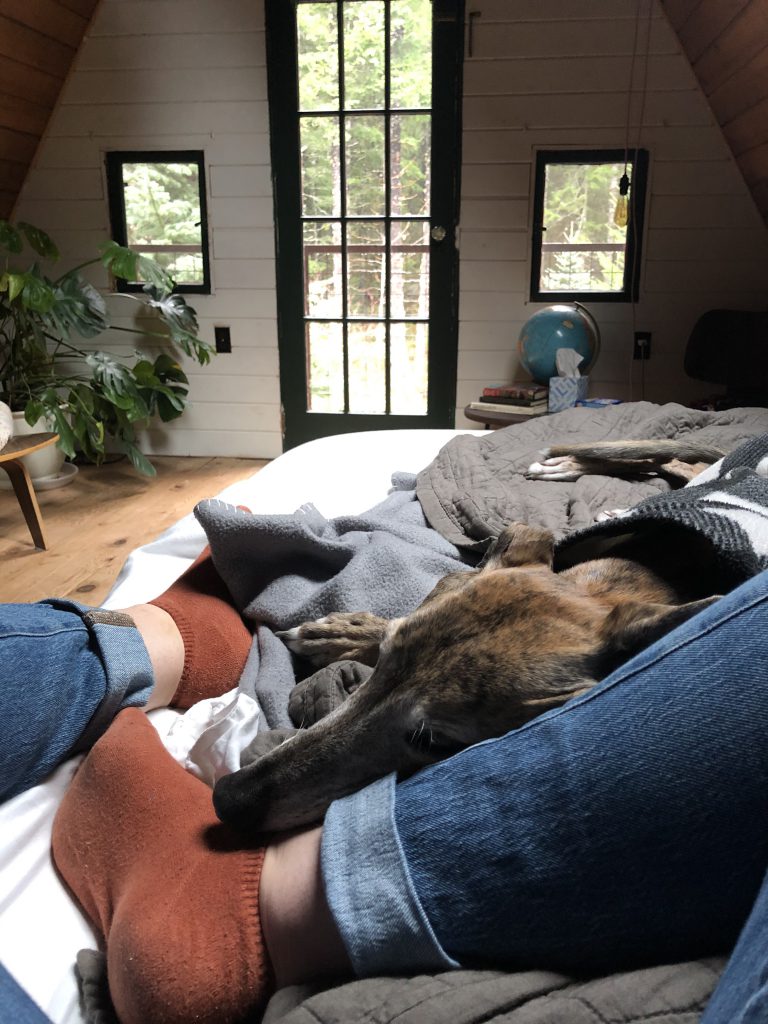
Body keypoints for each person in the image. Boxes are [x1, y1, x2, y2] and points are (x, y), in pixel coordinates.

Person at [3, 553, 768, 1023]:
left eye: (432, 737)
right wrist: (392, 634)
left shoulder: (604, 656)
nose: (239, 800)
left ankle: (265, 904)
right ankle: (145, 648)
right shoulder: (522, 580)